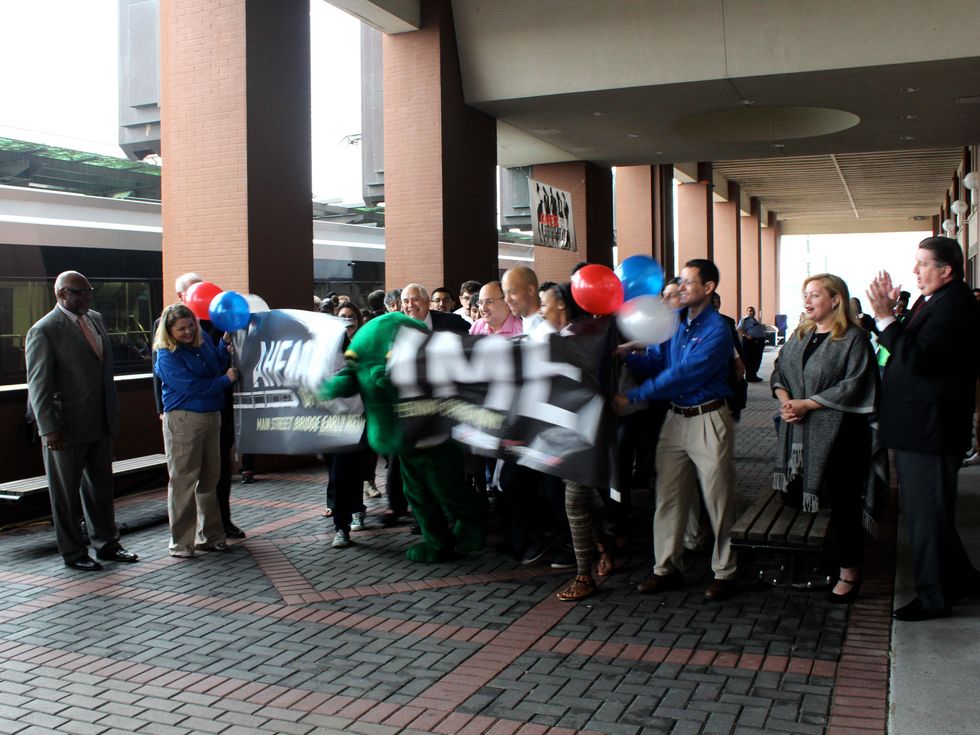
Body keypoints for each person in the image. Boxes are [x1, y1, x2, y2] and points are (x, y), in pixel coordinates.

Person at [868, 236, 980, 621]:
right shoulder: (933, 301)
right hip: (922, 428)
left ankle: (934, 597)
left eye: (922, 264)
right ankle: (963, 580)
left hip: (931, 432)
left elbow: (918, 359)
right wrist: (891, 316)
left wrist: (885, 318)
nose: (915, 270)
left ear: (945, 270)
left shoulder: (955, 306)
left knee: (925, 518)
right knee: (934, 514)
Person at [614, 259, 738, 602]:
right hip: (676, 418)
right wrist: (627, 355)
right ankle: (665, 568)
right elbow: (658, 362)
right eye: (679, 282)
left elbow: (684, 374)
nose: (680, 288)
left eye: (687, 282)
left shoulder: (716, 330)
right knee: (668, 496)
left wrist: (633, 395)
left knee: (718, 499)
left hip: (708, 419)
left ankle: (725, 571)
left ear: (708, 288)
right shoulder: (676, 323)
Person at [771, 273, 878, 603]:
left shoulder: (853, 339)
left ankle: (850, 572)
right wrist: (786, 401)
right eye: (805, 294)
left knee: (845, 503)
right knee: (807, 497)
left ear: (835, 300)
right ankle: (829, 562)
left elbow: (853, 384)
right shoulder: (801, 335)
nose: (807, 300)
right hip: (802, 429)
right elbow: (779, 371)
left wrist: (807, 404)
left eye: (815, 294)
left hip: (844, 436)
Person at [25, 271, 140, 572]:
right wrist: (49, 429)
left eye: (89, 290)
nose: (88, 297)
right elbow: (39, 386)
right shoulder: (44, 330)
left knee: (101, 488)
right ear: (62, 294)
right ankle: (74, 553)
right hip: (65, 428)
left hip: (100, 422)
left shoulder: (96, 319)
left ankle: (107, 544)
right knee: (64, 495)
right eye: (80, 292)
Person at [153, 272, 246, 539]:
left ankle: (214, 534)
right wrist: (224, 380)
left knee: (211, 478)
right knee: (183, 480)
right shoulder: (167, 345)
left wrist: (224, 344)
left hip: (214, 414)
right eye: (181, 328)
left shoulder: (206, 333)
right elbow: (186, 384)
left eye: (190, 326)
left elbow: (215, 362)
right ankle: (182, 542)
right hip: (185, 416)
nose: (187, 331)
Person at [538, 282, 615, 601]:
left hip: (585, 434)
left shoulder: (579, 339)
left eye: (544, 303)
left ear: (560, 305)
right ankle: (605, 545)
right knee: (585, 501)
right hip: (566, 432)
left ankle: (584, 575)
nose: (541, 310)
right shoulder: (566, 338)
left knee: (574, 502)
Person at [326, 303, 377, 548]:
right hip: (330, 422)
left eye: (351, 317)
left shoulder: (365, 347)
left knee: (351, 471)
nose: (347, 320)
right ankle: (344, 519)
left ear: (359, 320)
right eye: (342, 317)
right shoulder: (326, 348)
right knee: (336, 475)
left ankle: (348, 520)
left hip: (358, 421)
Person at [401, 283, 470, 334]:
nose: (410, 305)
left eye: (415, 299)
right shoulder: (397, 325)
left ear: (427, 301)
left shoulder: (453, 321)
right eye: (406, 301)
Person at [737, 306, 767, 382]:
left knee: (756, 359)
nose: (751, 312)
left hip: (758, 342)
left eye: (753, 311)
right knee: (750, 360)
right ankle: (750, 376)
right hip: (751, 342)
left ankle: (754, 375)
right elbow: (739, 329)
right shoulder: (745, 320)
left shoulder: (755, 320)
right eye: (750, 311)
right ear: (747, 312)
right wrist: (747, 335)